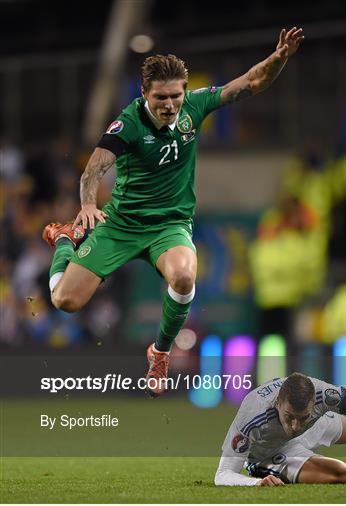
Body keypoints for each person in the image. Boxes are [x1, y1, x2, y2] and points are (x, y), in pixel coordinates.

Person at [41, 28, 305, 396]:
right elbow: (94, 169)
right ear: (145, 95)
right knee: (64, 301)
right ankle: (66, 241)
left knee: (183, 277)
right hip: (121, 225)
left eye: (175, 96)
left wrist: (279, 59)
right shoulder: (129, 122)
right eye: (161, 97)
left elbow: (252, 81)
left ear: (184, 91)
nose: (169, 105)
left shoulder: (194, 106)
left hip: (169, 225)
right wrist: (87, 205)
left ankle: (160, 353)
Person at [215, 372, 346, 486]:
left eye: (302, 417)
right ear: (277, 403)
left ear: (313, 403)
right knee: (340, 473)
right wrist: (256, 482)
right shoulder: (252, 417)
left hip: (313, 426)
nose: (294, 426)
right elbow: (222, 475)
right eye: (289, 417)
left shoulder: (324, 395)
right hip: (269, 452)